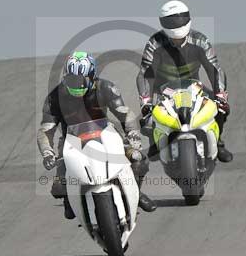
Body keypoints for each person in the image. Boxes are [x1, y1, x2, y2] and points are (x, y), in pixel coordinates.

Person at [38, 51, 157, 219]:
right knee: (59, 187)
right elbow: (46, 129)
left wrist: (133, 136)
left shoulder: (106, 87)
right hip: (70, 141)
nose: (77, 85)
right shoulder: (54, 97)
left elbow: (125, 114)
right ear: (65, 77)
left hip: (106, 133)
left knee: (138, 159)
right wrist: (47, 152)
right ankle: (69, 200)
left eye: (82, 80)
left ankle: (135, 193)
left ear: (92, 76)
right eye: (73, 80)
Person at [137, 0, 233, 163]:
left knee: (221, 110)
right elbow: (146, 74)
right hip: (162, 91)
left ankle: (218, 142)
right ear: (163, 22)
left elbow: (214, 69)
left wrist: (220, 96)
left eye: (179, 18)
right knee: (146, 119)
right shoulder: (154, 43)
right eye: (172, 20)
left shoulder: (201, 41)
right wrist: (146, 101)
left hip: (194, 87)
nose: (177, 23)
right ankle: (155, 142)